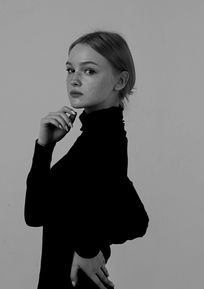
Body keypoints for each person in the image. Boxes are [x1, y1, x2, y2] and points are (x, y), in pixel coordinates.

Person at [24, 30, 149, 289]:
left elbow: (136, 222)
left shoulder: (107, 142)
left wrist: (89, 248)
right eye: (70, 70)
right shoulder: (94, 140)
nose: (75, 80)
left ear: (120, 81)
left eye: (89, 71)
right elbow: (35, 214)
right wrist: (44, 147)